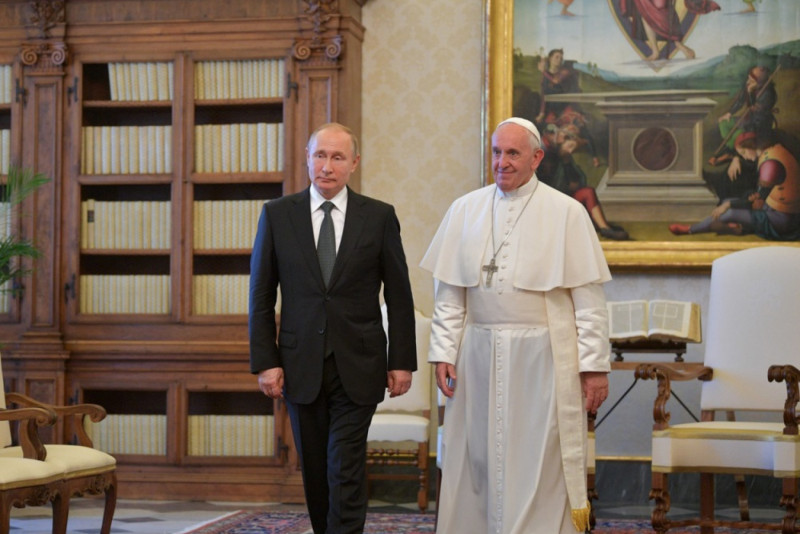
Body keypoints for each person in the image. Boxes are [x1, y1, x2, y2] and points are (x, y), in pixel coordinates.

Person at [420, 117, 612, 533]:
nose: (501, 162)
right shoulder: (465, 209)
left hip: (543, 359)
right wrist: (443, 353)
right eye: (496, 152)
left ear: (537, 158)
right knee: (477, 455)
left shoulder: (567, 212)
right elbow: (449, 295)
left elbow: (589, 303)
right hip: (476, 356)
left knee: (537, 456)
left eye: (512, 153)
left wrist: (594, 367)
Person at [249, 122, 417, 534]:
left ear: (354, 163)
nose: (327, 166)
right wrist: (265, 362)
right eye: (320, 155)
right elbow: (261, 295)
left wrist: (401, 362)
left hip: (360, 363)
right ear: (307, 159)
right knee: (316, 468)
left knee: (345, 464)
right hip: (299, 363)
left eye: (337, 157)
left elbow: (399, 295)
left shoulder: (379, 217)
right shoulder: (277, 215)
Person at [670, 131, 800, 240]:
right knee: (727, 202)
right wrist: (735, 159)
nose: (744, 157)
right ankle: (738, 225)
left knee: (729, 211)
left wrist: (728, 205)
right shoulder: (773, 150)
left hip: (780, 220)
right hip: (773, 209)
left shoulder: (770, 165)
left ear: (751, 146)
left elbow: (758, 203)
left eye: (743, 153)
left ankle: (690, 229)